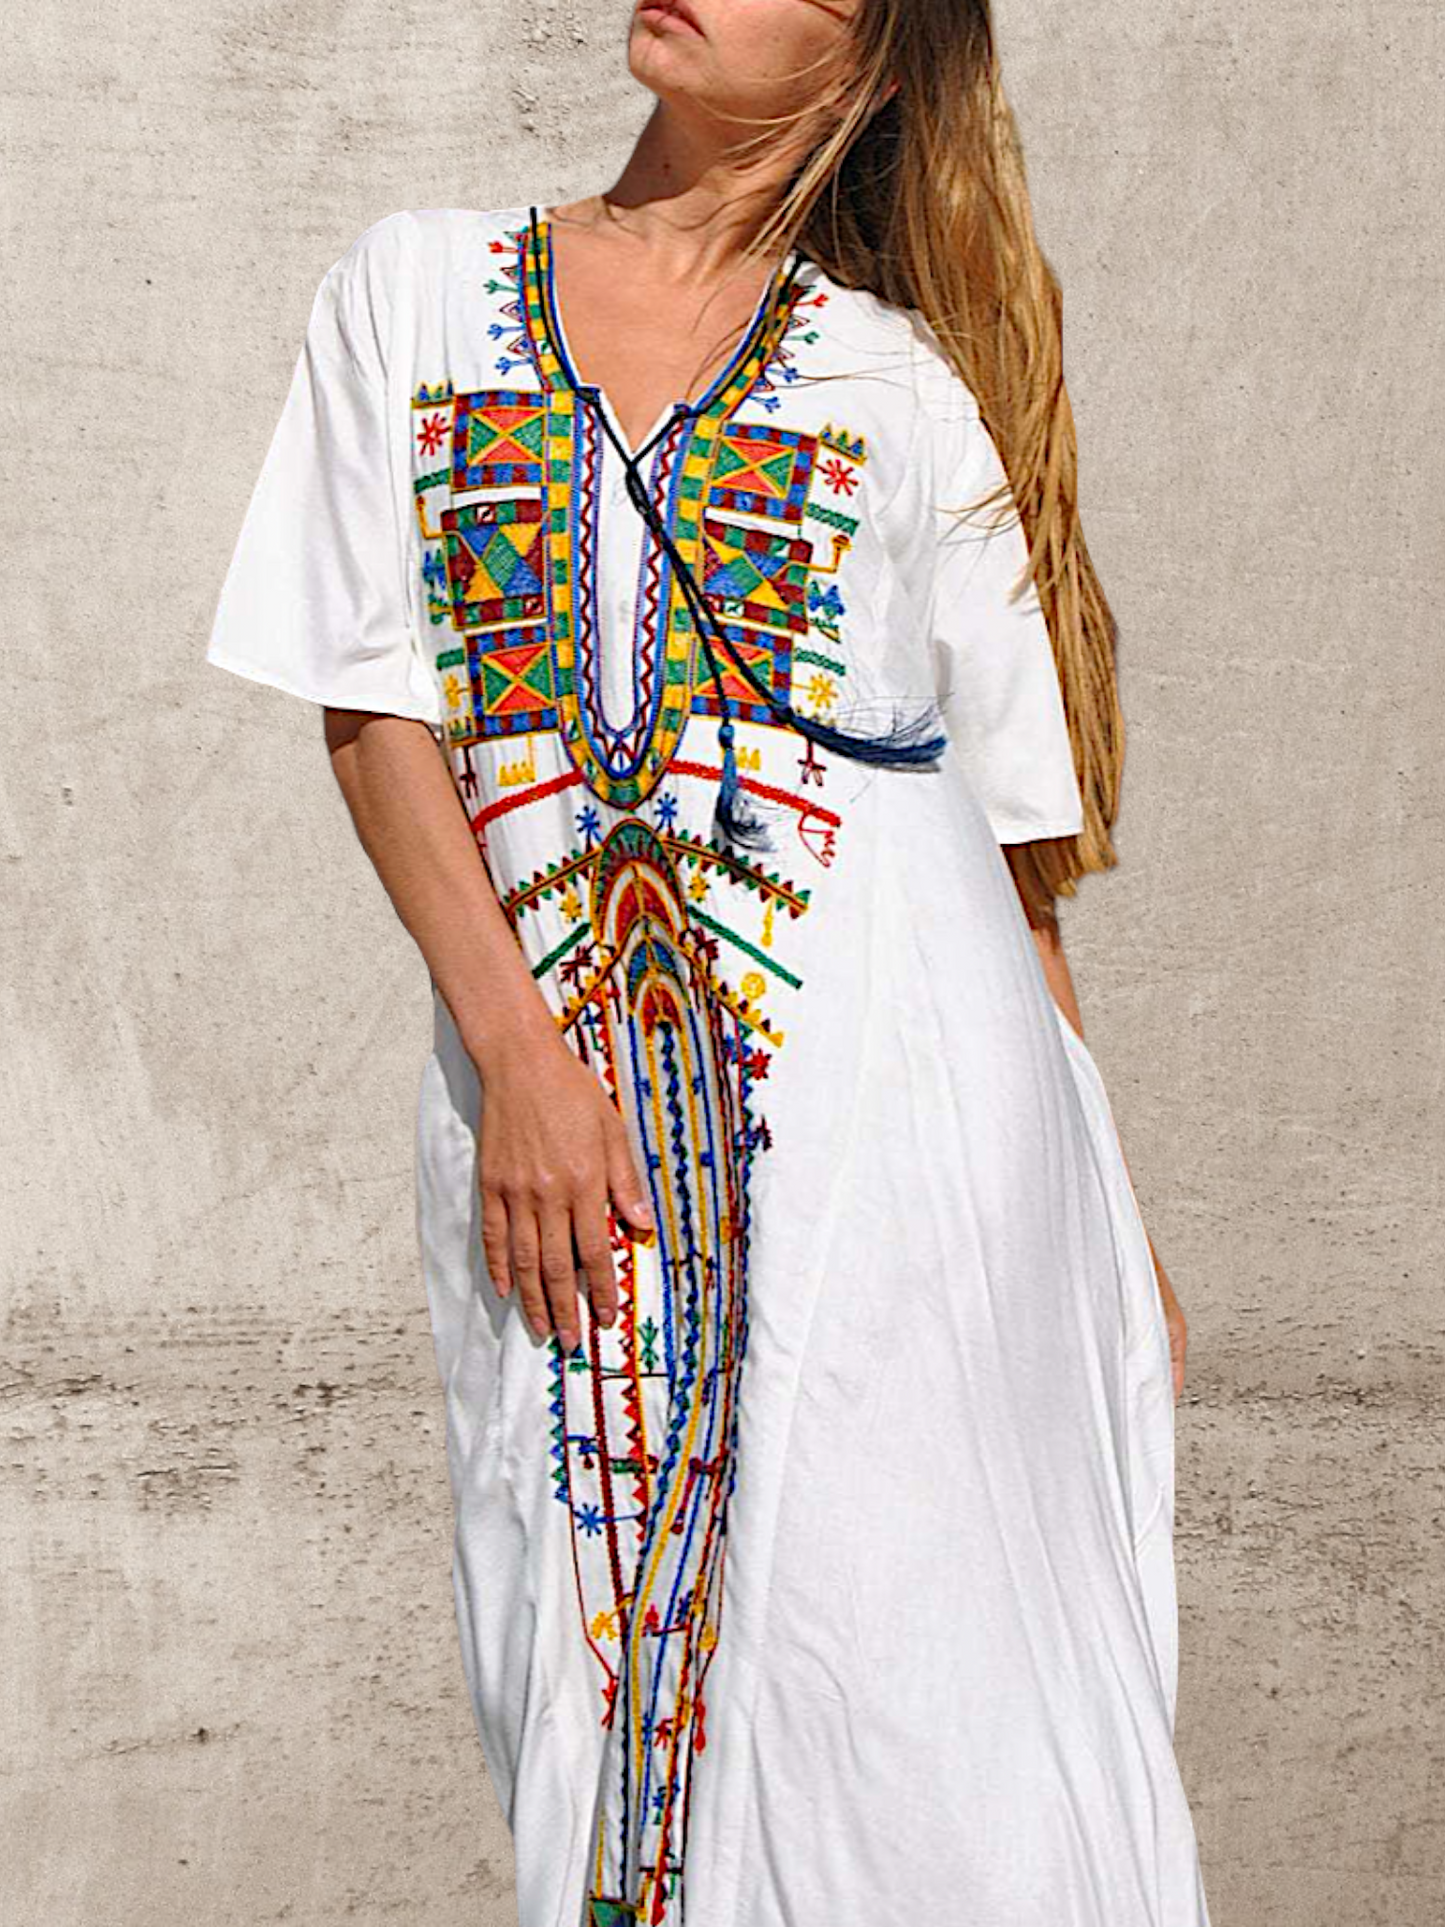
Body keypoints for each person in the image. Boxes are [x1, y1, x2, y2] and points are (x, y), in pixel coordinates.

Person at [205, 2, 1215, 1921]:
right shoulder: (414, 291)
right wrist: (520, 1056)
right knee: (592, 1672)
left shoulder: (903, 387)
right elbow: (373, 703)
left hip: (912, 1142)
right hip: (560, 1113)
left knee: (924, 1712)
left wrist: (1108, 1215)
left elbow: (1008, 862)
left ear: (872, 65)